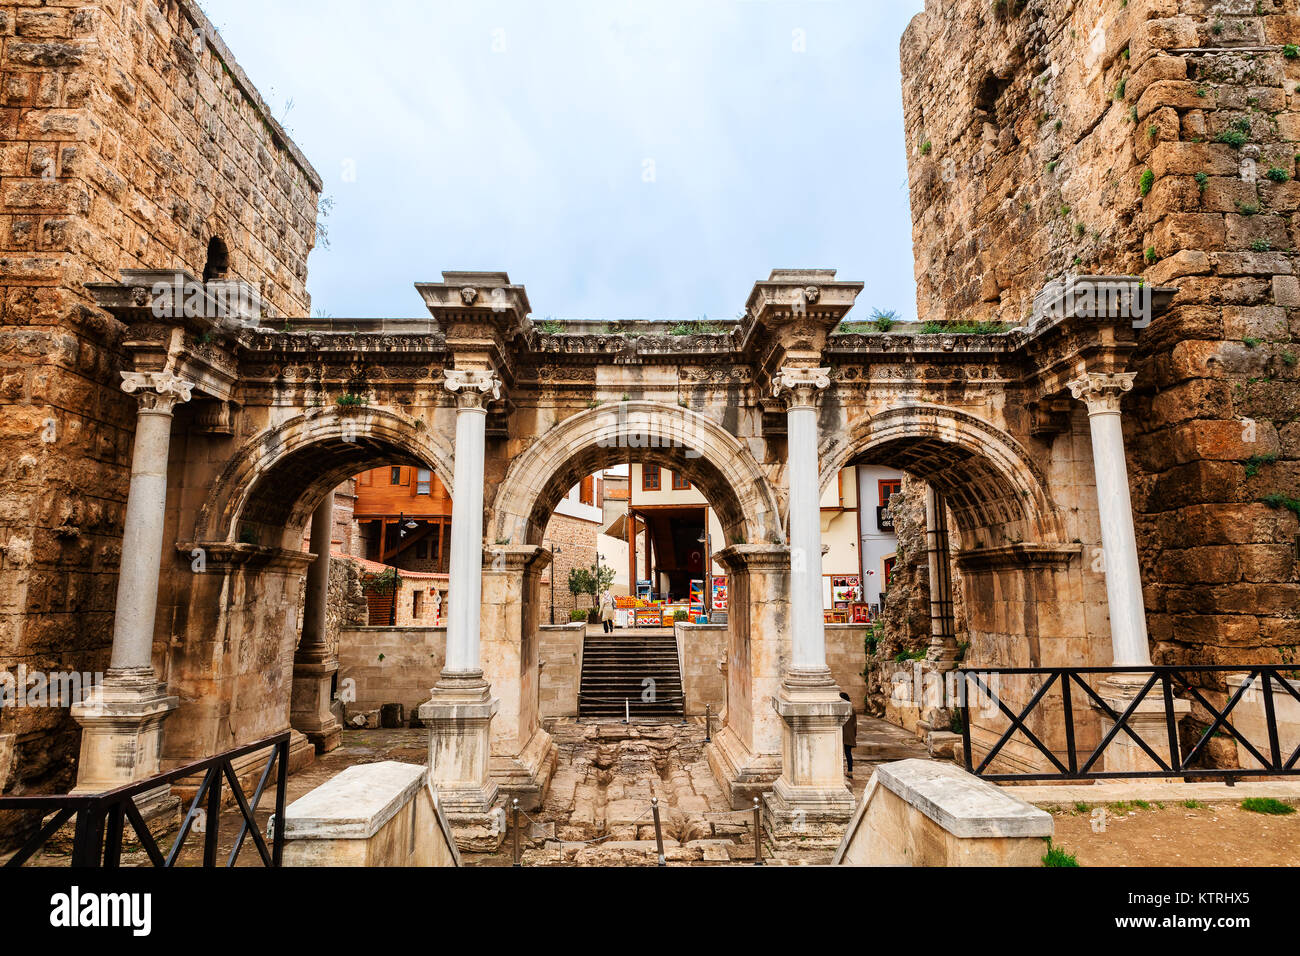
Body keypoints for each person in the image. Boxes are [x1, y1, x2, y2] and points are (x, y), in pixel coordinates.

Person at [840, 691, 857, 778]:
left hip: (841, 733)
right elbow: (855, 724)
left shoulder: (841, 709)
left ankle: (841, 770)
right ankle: (850, 771)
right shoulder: (852, 709)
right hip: (849, 734)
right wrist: (854, 735)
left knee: (840, 753)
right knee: (848, 753)